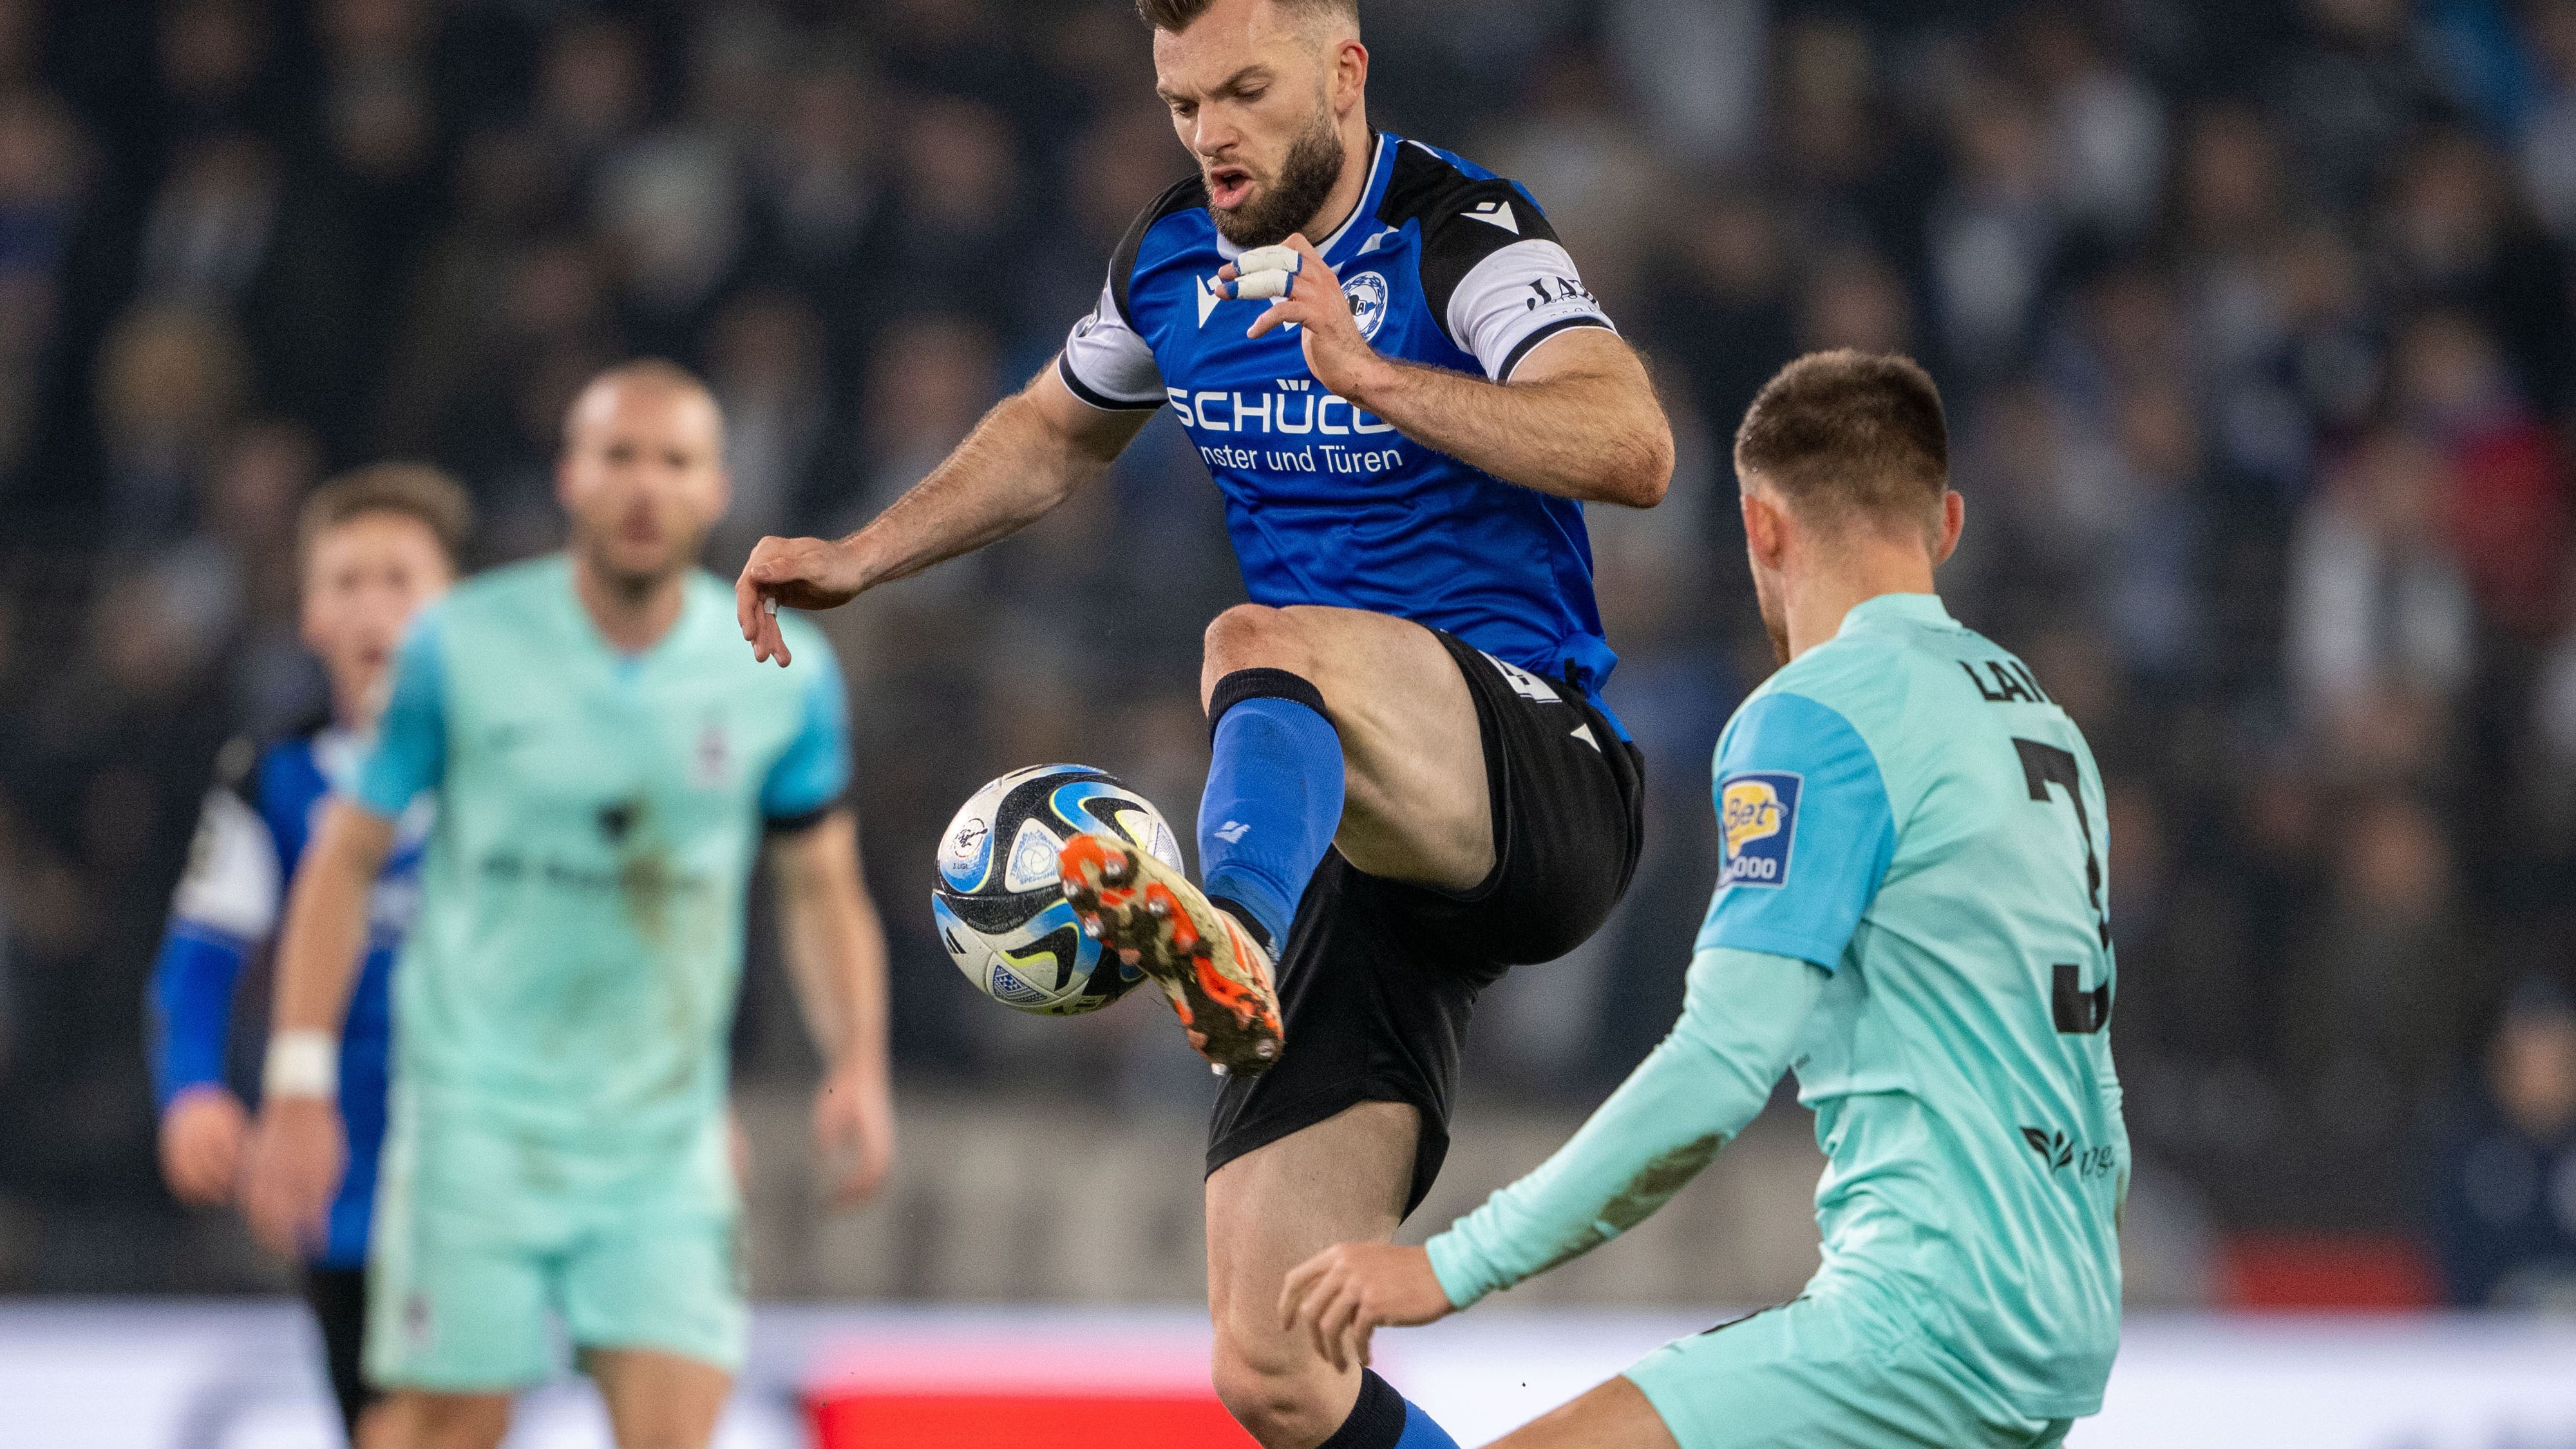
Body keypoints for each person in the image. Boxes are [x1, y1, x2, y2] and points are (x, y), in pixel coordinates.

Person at [735, 1, 1671, 1443]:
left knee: (1253, 641)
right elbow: (1053, 430)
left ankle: (1221, 926)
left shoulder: (1459, 231)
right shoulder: (1168, 258)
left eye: (1242, 93)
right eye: (1182, 104)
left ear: (1342, 71)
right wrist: (863, 553)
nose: (1209, 136)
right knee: (1274, 1363)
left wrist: (1368, 376)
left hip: (1532, 774)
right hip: (1363, 868)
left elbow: (1628, 443)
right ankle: (1235, 931)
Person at [1281, 352, 2128, 1449]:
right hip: (2062, 1314)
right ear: (1948, 525)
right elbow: (2089, 1070)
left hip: (1927, 1320)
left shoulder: (1815, 718)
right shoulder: (2039, 723)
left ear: (1761, 530)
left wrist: (1451, 1266)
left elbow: (1722, 1066)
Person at [244, 361, 897, 1449]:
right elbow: (342, 862)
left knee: (674, 1427)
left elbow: (820, 886)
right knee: (450, 1423)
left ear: (718, 490)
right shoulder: (460, 644)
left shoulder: (781, 671)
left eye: (674, 461)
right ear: (569, 478)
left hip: (663, 1141)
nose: (644, 486)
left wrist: (858, 1062)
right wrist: (299, 1077)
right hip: (473, 1124)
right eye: (618, 457)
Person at [148, 464, 471, 1447]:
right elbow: (198, 962)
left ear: (455, 608)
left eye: (398, 578)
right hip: (345, 1182)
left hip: (491, 1163)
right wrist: (194, 1088)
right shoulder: (271, 779)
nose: (372, 604)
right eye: (346, 580)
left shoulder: (515, 764)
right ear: (308, 615)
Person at [2427, 975, 2576, 1309]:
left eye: (2556, 1061)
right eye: (2529, 1062)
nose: (2542, 1078)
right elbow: (2453, 1276)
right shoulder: (2465, 1158)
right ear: (2500, 1065)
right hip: (2493, 1352)